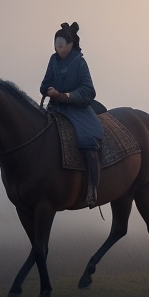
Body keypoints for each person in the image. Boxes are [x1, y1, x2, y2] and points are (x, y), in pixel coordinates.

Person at [40, 22, 103, 207]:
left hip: (77, 108)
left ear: (70, 45)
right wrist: (48, 89)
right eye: (56, 44)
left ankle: (92, 187)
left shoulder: (79, 62)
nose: (58, 48)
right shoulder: (53, 60)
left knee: (88, 138)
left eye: (61, 45)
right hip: (55, 107)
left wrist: (65, 95)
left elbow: (88, 91)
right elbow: (44, 83)